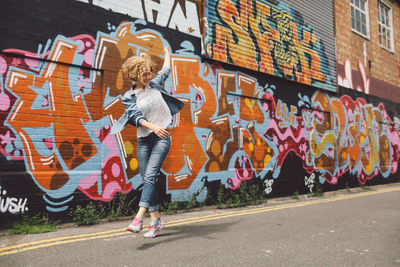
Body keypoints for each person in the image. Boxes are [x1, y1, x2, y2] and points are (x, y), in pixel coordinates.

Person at [110, 46, 184, 238]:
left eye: (149, 72)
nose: (148, 76)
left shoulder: (155, 84)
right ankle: (156, 220)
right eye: (144, 74)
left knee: (150, 175)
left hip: (161, 138)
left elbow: (165, 70)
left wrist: (168, 54)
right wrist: (153, 126)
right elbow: (135, 118)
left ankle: (138, 218)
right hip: (144, 140)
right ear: (134, 74)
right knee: (147, 180)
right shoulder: (129, 97)